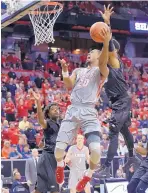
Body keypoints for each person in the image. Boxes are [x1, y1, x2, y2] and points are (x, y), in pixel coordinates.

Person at [54, 27, 111, 192]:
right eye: (89, 52)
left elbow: (103, 59)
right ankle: (59, 165)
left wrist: (105, 43)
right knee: (58, 151)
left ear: (99, 56)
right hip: (73, 110)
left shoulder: (101, 71)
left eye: (93, 52)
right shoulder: (78, 71)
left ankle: (89, 173)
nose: (89, 53)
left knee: (95, 151)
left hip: (88, 111)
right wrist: (64, 69)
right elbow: (68, 85)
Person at [98, 4, 140, 177]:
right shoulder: (105, 66)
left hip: (122, 100)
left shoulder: (115, 61)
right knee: (123, 130)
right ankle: (132, 157)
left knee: (114, 131)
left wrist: (107, 24)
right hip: (118, 102)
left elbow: (109, 47)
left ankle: (107, 167)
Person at [30, 90, 60, 193]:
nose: (56, 111)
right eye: (53, 109)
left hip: (54, 158)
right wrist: (38, 103)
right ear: (48, 113)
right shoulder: (48, 123)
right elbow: (41, 121)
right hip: (47, 158)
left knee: (39, 190)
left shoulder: (59, 125)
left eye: (57, 109)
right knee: (54, 189)